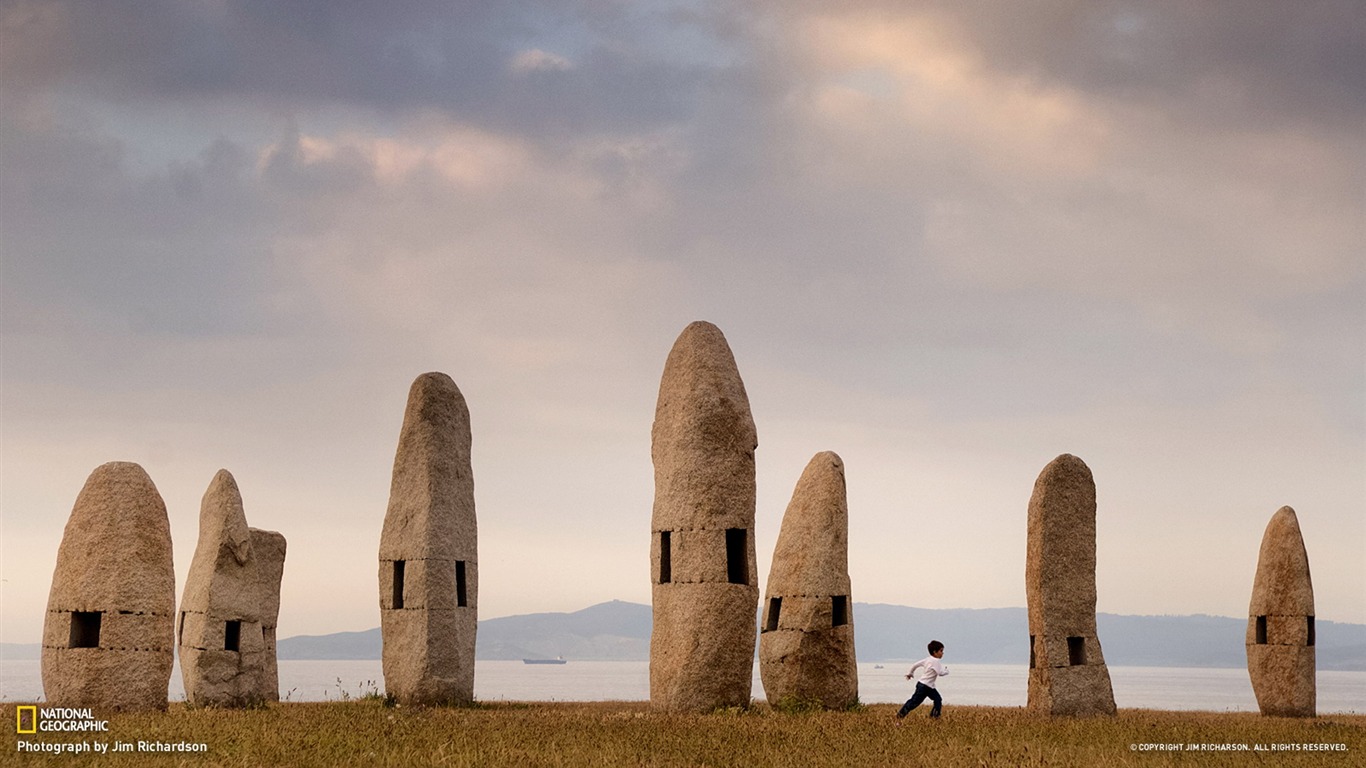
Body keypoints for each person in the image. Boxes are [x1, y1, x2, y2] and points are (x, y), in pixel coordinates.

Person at [895, 640, 948, 722]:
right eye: (941, 651)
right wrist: (946, 671)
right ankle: (900, 716)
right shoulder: (936, 661)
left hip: (927, 686)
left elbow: (915, 665)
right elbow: (940, 673)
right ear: (935, 652)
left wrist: (910, 673)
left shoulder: (927, 659)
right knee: (914, 702)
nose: (942, 653)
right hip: (924, 687)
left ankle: (934, 717)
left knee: (937, 699)